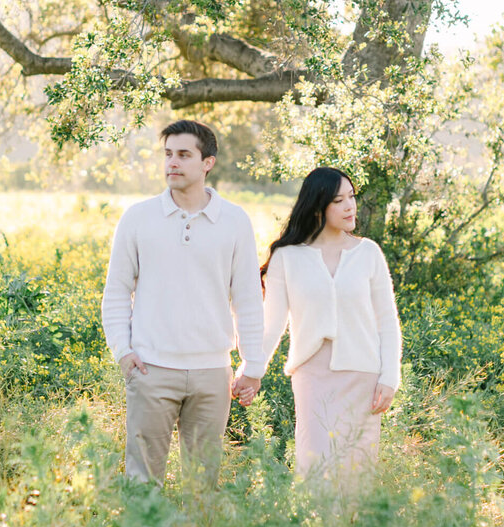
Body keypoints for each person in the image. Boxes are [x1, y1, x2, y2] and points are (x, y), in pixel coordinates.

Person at [101, 119, 265, 485]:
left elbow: (249, 298)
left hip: (212, 373)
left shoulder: (235, 221)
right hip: (151, 369)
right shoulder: (138, 218)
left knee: (202, 484)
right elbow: (116, 291)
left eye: (184, 155)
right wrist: (123, 353)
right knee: (142, 482)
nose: (172, 163)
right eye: (168, 155)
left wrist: (252, 365)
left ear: (207, 162)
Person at [251, 167, 402, 484]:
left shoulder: (368, 253)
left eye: (352, 197)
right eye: (339, 200)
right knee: (315, 469)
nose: (350, 207)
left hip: (363, 379)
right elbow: (273, 323)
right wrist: (252, 369)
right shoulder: (287, 257)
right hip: (312, 378)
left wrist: (390, 377)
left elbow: (387, 321)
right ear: (319, 207)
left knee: (357, 472)